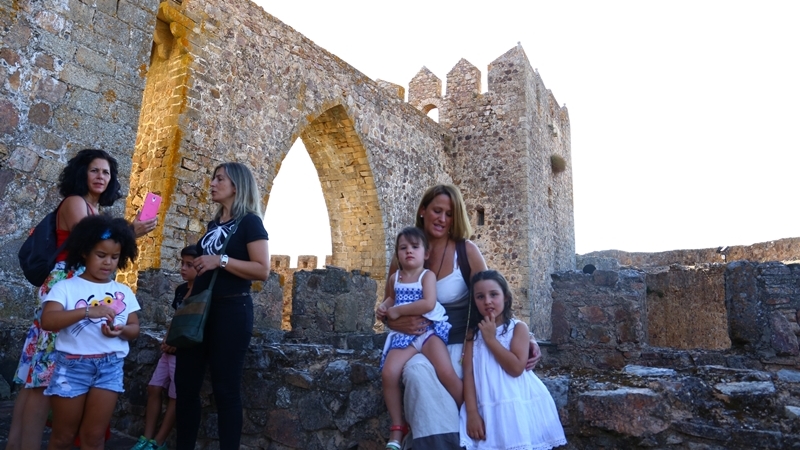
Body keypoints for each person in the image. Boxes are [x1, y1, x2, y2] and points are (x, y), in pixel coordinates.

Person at [6, 149, 157, 450]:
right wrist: (131, 230)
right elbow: (86, 241)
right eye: (94, 170)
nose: (101, 177)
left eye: (107, 172)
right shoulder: (76, 203)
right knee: (44, 375)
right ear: (81, 173)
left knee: (37, 374)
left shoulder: (96, 211)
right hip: (67, 289)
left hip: (80, 291)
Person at [378, 184, 542, 449]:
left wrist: (525, 336)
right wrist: (392, 320)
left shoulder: (466, 252)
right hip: (418, 347)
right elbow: (391, 304)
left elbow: (492, 298)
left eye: (450, 213)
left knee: (467, 403)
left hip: (464, 346)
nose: (443, 219)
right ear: (423, 211)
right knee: (417, 377)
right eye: (437, 211)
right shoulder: (406, 254)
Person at [174, 162, 270, 450]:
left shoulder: (250, 222)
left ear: (236, 186)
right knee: (186, 386)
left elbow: (262, 269)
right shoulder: (214, 225)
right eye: (213, 178)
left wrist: (221, 261)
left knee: (225, 390)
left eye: (219, 179)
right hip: (199, 312)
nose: (212, 184)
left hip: (231, 312)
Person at [39, 215, 142, 450]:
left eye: (114, 257)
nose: (108, 263)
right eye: (101, 255)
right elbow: (49, 320)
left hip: (109, 368)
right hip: (71, 368)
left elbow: (134, 329)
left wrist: (121, 330)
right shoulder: (66, 287)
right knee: (63, 437)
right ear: (84, 252)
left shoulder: (123, 291)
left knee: (94, 438)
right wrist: (88, 311)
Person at [460, 270, 566, 450]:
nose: (487, 301)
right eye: (480, 296)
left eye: (494, 294)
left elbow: (516, 368)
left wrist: (491, 340)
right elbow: (468, 373)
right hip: (486, 404)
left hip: (515, 403)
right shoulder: (472, 334)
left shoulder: (518, 329)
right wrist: (472, 413)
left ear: (506, 297)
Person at [377, 227, 462, 450]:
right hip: (404, 336)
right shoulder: (396, 277)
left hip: (427, 332)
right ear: (397, 254)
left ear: (425, 253)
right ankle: (397, 426)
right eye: (403, 248)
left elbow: (428, 303)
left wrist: (398, 312)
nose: (409, 252)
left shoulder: (427, 276)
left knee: (445, 371)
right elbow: (390, 298)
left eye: (415, 247)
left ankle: (467, 409)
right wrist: (384, 307)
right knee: (389, 372)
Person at [131, 245, 199, 450]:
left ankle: (158, 442)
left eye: (189, 265)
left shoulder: (202, 293)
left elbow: (194, 324)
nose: (183, 268)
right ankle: (146, 437)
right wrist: (167, 339)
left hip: (183, 351)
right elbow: (176, 318)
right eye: (182, 263)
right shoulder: (180, 290)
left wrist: (177, 344)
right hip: (169, 348)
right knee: (153, 387)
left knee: (174, 396)